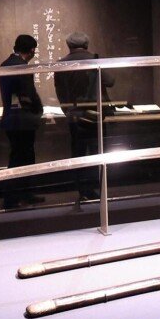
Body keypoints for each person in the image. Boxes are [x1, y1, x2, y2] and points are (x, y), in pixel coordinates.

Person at [54, 32, 115, 201]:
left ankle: (83, 190)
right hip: (96, 115)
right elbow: (110, 81)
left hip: (75, 116)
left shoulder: (61, 64)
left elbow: (60, 92)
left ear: (69, 45)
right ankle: (97, 188)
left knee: (79, 153)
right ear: (86, 44)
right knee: (98, 152)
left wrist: (69, 112)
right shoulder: (95, 60)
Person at [0, 34, 45, 209]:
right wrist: (38, 110)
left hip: (11, 117)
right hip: (23, 119)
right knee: (21, 159)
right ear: (32, 50)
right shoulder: (22, 67)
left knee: (19, 157)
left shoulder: (5, 64)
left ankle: (23, 194)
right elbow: (29, 94)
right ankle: (13, 198)